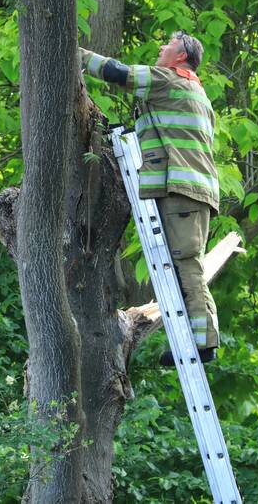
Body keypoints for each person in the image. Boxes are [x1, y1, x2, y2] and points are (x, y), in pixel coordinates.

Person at [79, 31, 220, 365]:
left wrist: (77, 53)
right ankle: (196, 339)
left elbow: (119, 73)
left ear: (182, 56)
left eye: (167, 45)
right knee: (185, 263)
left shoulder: (170, 80)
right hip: (193, 190)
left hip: (181, 189)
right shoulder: (197, 93)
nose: (160, 47)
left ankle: (202, 342)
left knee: (186, 265)